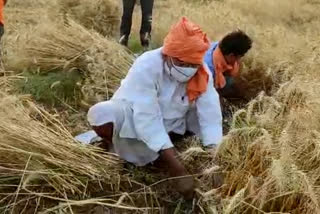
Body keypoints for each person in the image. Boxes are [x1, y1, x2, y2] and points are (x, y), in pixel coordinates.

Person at [88, 17, 223, 199]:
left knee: (209, 114)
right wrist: (178, 170)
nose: (188, 69)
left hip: (173, 123)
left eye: (192, 65)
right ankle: (115, 145)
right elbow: (147, 117)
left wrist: (214, 160)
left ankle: (161, 150)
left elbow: (211, 115)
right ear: (168, 54)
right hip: (135, 119)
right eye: (182, 63)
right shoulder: (147, 64)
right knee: (102, 113)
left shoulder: (202, 71)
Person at [203, 30, 252, 98]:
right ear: (231, 55)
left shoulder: (219, 47)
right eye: (240, 56)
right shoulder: (208, 69)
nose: (239, 60)